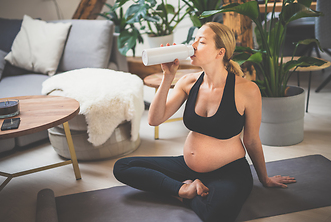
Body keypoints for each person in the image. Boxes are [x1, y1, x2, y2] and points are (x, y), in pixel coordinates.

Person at [113, 22, 296, 222]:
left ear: (220, 52)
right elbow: (154, 119)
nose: (192, 46)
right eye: (194, 40)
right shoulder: (188, 83)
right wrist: (168, 76)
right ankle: (183, 189)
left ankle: (182, 193)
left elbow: (251, 140)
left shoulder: (247, 90)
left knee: (218, 214)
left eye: (200, 42)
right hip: (186, 167)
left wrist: (264, 179)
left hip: (229, 172)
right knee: (123, 167)